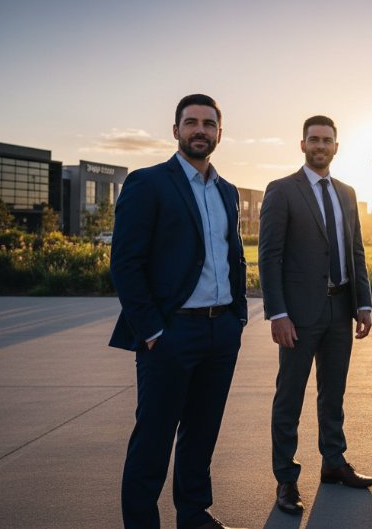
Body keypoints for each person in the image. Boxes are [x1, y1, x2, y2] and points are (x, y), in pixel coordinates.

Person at [110, 93, 248, 529]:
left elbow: (233, 257)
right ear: (176, 131)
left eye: (209, 124)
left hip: (220, 331)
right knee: (153, 440)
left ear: (219, 134)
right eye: (192, 122)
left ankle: (194, 515)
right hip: (170, 335)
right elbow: (126, 264)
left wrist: (237, 318)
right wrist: (151, 330)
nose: (200, 130)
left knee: (201, 436)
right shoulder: (148, 183)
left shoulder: (227, 191)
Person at [259, 115, 372, 515]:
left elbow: (355, 250)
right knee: (289, 396)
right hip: (298, 315)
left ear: (337, 147)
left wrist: (363, 303)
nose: (320, 145)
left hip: (340, 308)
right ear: (303, 144)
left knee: (334, 393)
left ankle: (334, 462)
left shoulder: (347, 192)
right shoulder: (282, 191)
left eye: (327, 140)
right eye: (314, 139)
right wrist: (278, 313)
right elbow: (269, 256)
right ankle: (286, 480)